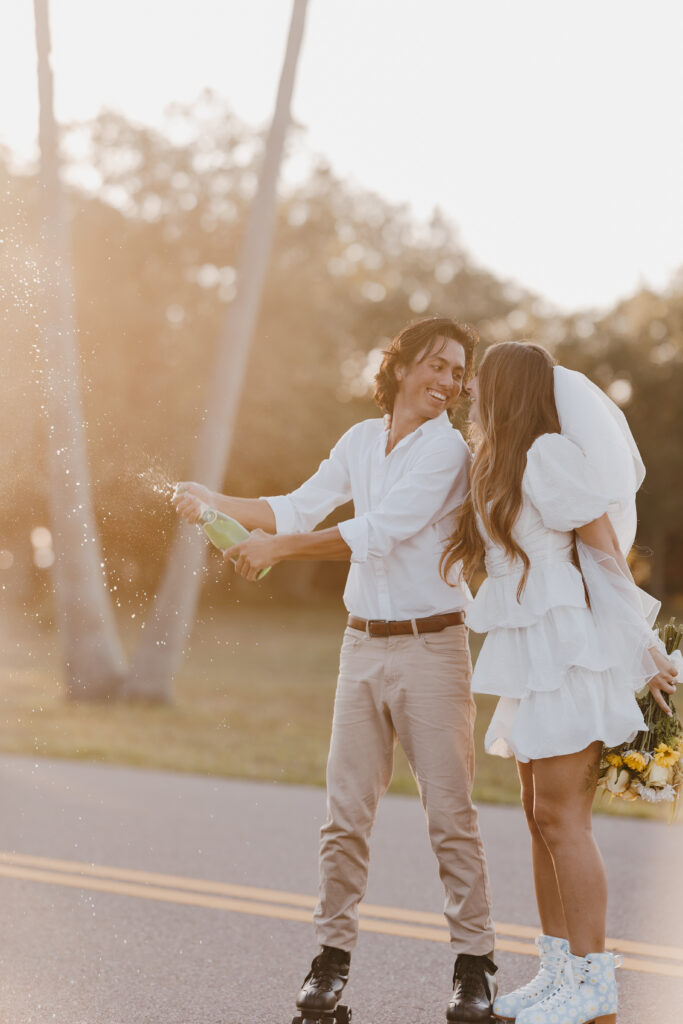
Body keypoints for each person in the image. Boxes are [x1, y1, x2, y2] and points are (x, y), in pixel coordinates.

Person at [174, 316, 497, 1023]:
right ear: (403, 365)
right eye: (436, 365)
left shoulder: (447, 454)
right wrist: (216, 501)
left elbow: (379, 534)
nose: (448, 381)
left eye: (457, 371)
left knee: (449, 816)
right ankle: (330, 961)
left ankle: (474, 967)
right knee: (344, 818)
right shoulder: (359, 441)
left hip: (432, 648)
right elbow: (296, 505)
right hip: (360, 648)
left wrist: (277, 551)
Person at [440, 341, 678, 1024]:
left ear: (505, 390)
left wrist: (642, 649)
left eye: (479, 384)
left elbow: (603, 556)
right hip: (527, 649)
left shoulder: (547, 456)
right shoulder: (496, 462)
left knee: (560, 818)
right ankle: (556, 974)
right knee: (534, 815)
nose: (469, 395)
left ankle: (594, 987)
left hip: (569, 649)